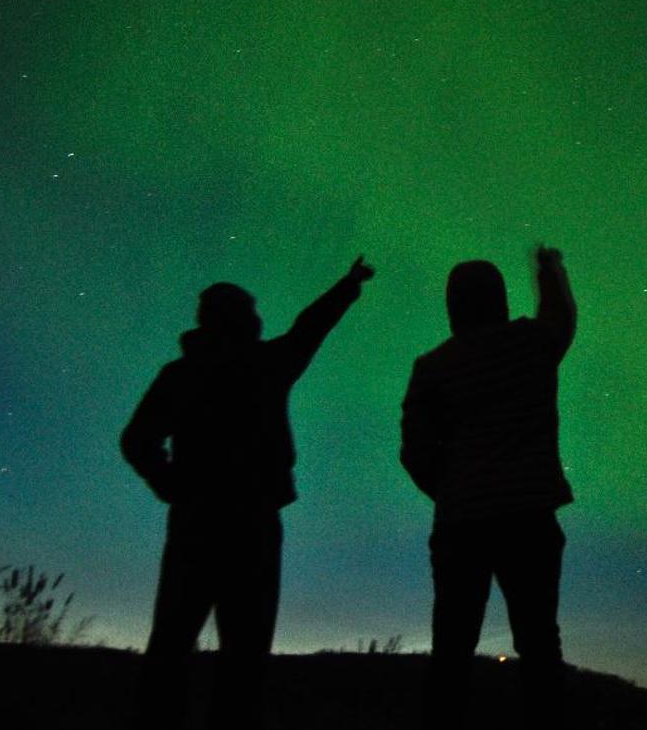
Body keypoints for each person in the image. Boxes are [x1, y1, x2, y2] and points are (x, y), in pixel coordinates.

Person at [121, 256, 374, 729]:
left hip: (197, 522)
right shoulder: (263, 365)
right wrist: (348, 285)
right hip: (249, 525)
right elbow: (308, 329)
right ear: (240, 320)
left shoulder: (183, 374)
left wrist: (173, 485)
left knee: (173, 646)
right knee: (242, 655)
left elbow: (137, 441)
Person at [400, 245, 577, 729]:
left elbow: (415, 452)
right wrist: (550, 272)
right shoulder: (530, 344)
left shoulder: (433, 367)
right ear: (498, 299)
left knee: (452, 648)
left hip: (462, 526)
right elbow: (561, 317)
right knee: (540, 643)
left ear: (453, 306)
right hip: (529, 518)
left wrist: (454, 491)